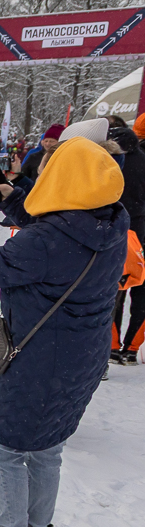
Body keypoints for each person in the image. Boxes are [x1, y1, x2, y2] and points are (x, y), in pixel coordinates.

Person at [0, 136, 129, 527]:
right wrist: (13, 198)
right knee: (47, 448)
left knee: (2, 445)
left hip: (41, 361)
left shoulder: (43, 243)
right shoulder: (112, 221)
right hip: (83, 358)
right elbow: (66, 231)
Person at [109, 123, 145, 364]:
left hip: (114, 227)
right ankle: (132, 347)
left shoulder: (108, 160)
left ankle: (111, 346)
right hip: (141, 228)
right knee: (141, 288)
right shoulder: (142, 159)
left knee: (114, 286)